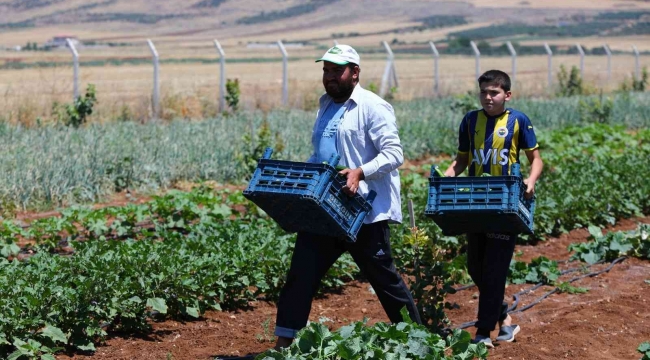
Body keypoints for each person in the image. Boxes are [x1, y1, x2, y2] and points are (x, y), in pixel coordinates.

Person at [273, 44, 422, 350]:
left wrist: (360, 172)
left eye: (336, 70)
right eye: (325, 70)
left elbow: (394, 154)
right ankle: (284, 343)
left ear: (354, 73)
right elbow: (322, 152)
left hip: (363, 211)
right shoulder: (325, 104)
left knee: (385, 281)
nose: (329, 76)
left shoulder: (373, 106)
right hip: (326, 209)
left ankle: (420, 341)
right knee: (301, 275)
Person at [444, 70, 544, 348]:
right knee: (475, 267)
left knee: (494, 271)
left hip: (506, 204)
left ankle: (482, 332)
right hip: (476, 203)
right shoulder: (469, 121)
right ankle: (505, 320)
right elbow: (461, 161)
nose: (488, 98)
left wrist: (531, 180)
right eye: (484, 92)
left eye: (494, 93)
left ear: (506, 95)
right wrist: (449, 174)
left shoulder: (518, 121)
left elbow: (536, 160)